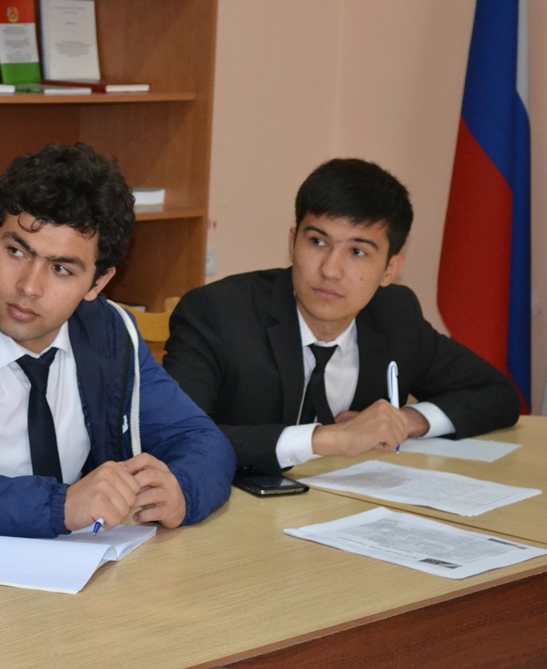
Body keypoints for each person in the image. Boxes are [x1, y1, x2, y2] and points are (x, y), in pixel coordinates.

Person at [0, 143, 235, 538]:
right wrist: (60, 506)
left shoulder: (109, 333)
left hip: (73, 567)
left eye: (61, 269)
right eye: (17, 251)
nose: (29, 287)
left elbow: (203, 441)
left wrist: (182, 490)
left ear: (98, 282)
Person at [164, 158, 521, 475]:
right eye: (317, 242)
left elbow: (497, 394)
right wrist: (327, 439)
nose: (330, 270)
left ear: (391, 269)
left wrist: (406, 421)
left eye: (357, 252)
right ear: (292, 243)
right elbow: (176, 437)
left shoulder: (395, 316)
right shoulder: (216, 314)